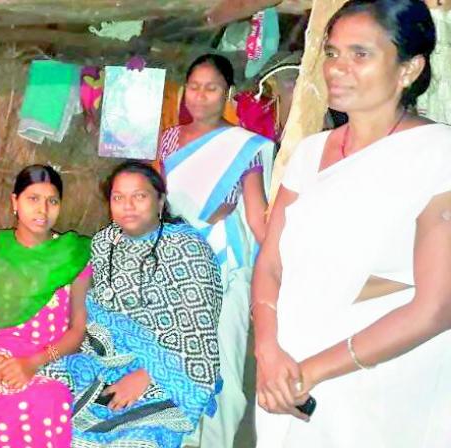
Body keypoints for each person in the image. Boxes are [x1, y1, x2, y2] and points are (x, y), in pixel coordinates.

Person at [253, 1, 451, 446]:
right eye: (332, 52)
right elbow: (270, 265)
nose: (337, 68)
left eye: (360, 54)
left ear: (409, 69)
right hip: (286, 377)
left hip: (378, 385)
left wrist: (312, 371)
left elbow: (437, 306)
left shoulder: (438, 155)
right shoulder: (308, 154)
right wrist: (268, 353)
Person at [157, 53, 276, 446]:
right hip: (174, 263)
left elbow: (258, 218)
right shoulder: (168, 140)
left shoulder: (245, 147)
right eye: (194, 86)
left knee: (222, 358)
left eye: (211, 88)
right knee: (173, 357)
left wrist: (281, 268)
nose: (200, 96)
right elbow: (154, 205)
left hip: (224, 266)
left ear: (226, 93)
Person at [62, 161, 223, 447]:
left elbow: (197, 334)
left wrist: (144, 375)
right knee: (41, 401)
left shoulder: (187, 250)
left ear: (160, 200)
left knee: (137, 441)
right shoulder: (103, 243)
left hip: (167, 373)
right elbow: (94, 311)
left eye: (140, 196)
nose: (128, 206)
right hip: (101, 361)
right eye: (118, 197)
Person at [0, 165, 91, 448]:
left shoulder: (74, 256)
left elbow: (78, 330)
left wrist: (32, 363)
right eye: (33, 199)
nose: (43, 210)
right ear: (15, 202)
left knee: (47, 399)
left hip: (50, 359)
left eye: (52, 201)